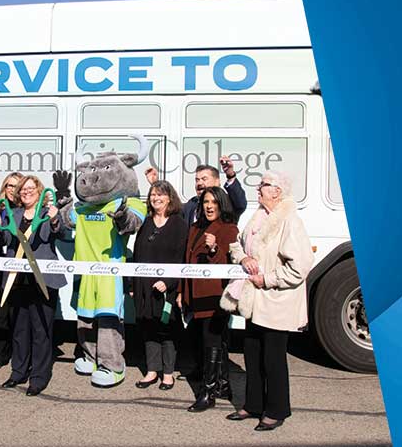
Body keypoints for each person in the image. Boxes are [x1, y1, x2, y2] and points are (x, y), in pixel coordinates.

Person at [223, 170, 312, 431]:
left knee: (272, 358)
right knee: (252, 352)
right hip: (255, 301)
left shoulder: (290, 221)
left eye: (264, 184)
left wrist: (268, 279)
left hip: (276, 301)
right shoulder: (259, 216)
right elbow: (237, 245)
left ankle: (276, 410)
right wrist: (243, 259)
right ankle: (253, 405)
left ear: (278, 191)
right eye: (260, 184)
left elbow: (301, 266)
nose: (259, 188)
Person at [0, 175, 66, 397]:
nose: (26, 192)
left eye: (31, 189)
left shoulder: (48, 213)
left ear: (40, 191)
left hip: (44, 280)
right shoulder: (13, 214)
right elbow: (3, 239)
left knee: (41, 330)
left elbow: (58, 232)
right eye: (23, 189)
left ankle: (39, 378)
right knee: (20, 329)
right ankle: (18, 372)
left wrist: (53, 220)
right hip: (17, 279)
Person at [179, 186, 240, 412]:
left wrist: (214, 249)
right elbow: (187, 263)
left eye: (214, 202)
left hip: (215, 297)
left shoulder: (229, 229)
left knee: (212, 343)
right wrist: (181, 293)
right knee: (211, 341)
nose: (209, 206)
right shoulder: (195, 228)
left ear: (221, 204)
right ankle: (223, 385)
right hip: (196, 295)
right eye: (205, 202)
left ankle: (208, 393)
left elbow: (231, 265)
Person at [129, 180, 188, 391]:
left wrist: (170, 282)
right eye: (153, 195)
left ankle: (168, 374)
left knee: (167, 330)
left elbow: (182, 258)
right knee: (148, 328)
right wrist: (132, 282)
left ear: (170, 198)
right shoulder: (145, 222)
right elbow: (136, 254)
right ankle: (152, 371)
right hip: (143, 287)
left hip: (167, 289)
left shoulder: (179, 224)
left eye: (160, 194)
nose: (155, 198)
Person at [0, 172, 25, 370]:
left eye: (16, 186)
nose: (12, 189)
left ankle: (20, 353)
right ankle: (0, 352)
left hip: (20, 266)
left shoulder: (26, 209)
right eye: (9, 186)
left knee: (18, 313)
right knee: (1, 313)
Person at [145, 159, 247, 223]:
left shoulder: (227, 203)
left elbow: (240, 203)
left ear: (217, 182)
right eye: (197, 180)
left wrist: (230, 175)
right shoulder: (192, 203)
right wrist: (156, 185)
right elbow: (172, 209)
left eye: (204, 179)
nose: (199, 183)